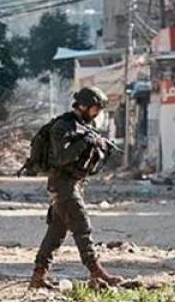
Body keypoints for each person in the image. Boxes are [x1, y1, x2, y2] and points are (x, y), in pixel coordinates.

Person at [30, 86, 123, 290]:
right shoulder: (63, 126)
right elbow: (61, 158)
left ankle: (39, 275)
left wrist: (100, 146)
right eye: (95, 109)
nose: (97, 113)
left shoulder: (84, 127)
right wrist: (85, 142)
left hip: (75, 183)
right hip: (62, 184)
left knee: (56, 232)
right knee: (82, 225)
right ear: (83, 106)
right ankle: (96, 271)